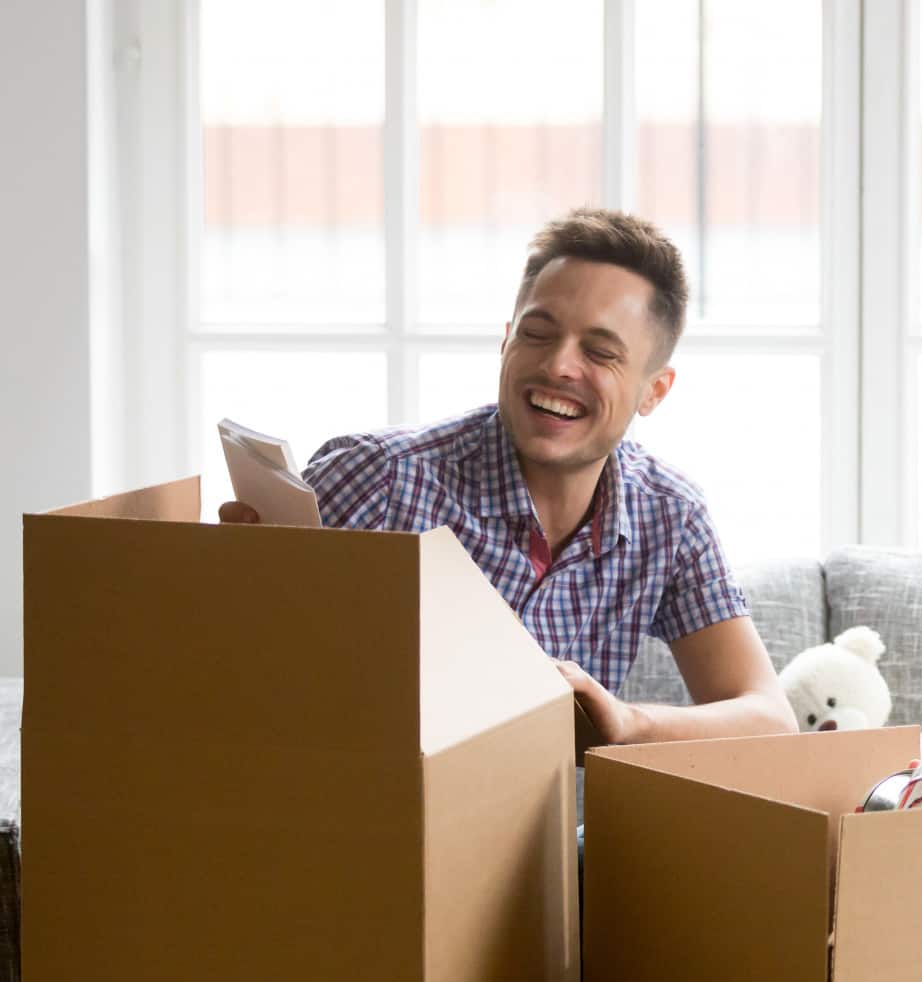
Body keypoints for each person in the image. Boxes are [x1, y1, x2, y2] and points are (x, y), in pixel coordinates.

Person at [221, 207, 795, 744]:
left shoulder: (669, 516)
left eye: (599, 352)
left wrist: (625, 721)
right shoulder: (377, 478)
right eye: (538, 333)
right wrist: (220, 583)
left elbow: (770, 719)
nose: (558, 365)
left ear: (654, 390)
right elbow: (238, 673)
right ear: (506, 341)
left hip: (554, 845)